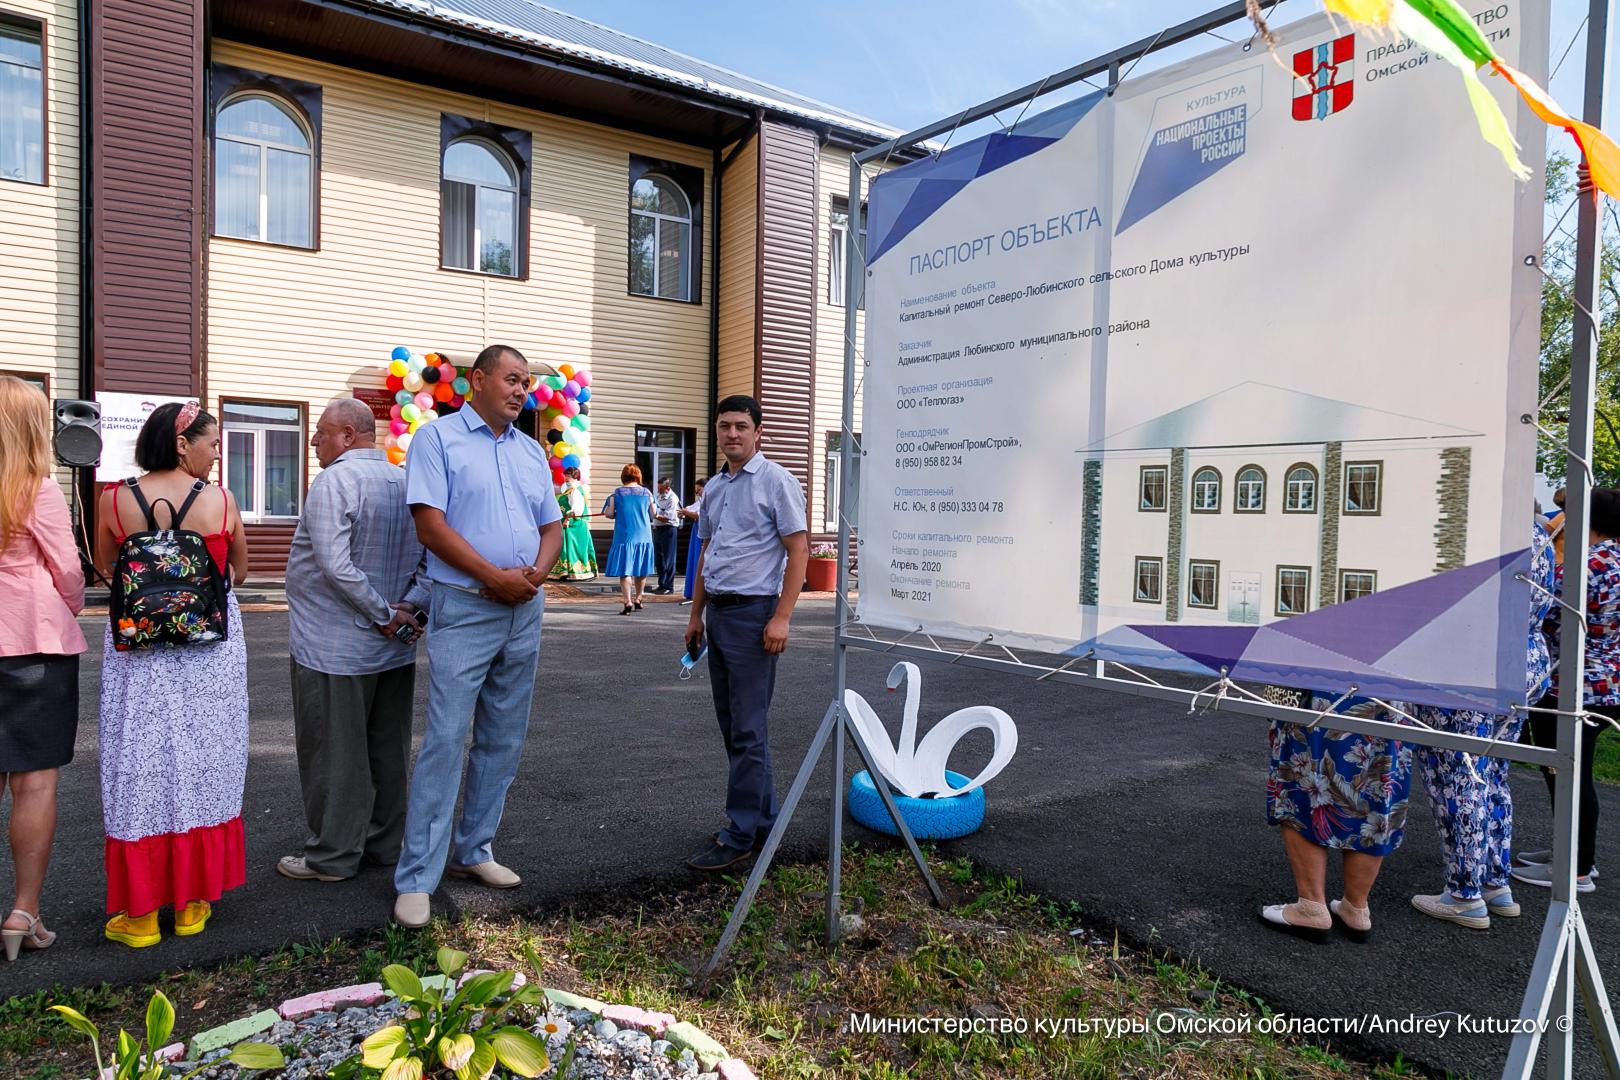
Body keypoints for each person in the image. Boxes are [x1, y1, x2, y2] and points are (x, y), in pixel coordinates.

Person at [394, 344, 563, 929]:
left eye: (526, 383)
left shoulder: (529, 451)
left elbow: (552, 525)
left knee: (503, 737)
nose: (522, 391)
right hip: (466, 605)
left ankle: (475, 850)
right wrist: (494, 577)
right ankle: (417, 877)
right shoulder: (437, 440)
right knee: (444, 737)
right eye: (512, 379)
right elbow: (429, 525)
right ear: (479, 381)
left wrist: (532, 578)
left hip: (524, 608)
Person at [94, 401, 249, 948]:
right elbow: (239, 571)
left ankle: (138, 916)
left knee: (139, 762)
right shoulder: (221, 500)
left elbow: (107, 568)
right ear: (182, 444)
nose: (216, 452)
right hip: (208, 653)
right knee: (206, 757)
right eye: (212, 442)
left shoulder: (113, 499)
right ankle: (190, 904)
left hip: (139, 654)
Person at [280, 398, 430, 884]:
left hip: (335, 647)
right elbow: (431, 560)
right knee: (386, 746)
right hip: (392, 643)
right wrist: (408, 608)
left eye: (320, 432)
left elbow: (334, 565)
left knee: (335, 752)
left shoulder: (335, 481)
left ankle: (332, 856)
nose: (314, 441)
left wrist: (385, 614)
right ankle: (384, 844)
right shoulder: (406, 482)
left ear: (348, 434)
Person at [1408, 520, 1555, 928]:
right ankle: (1495, 881)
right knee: (1493, 774)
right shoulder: (1538, 531)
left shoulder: (1470, 526)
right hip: (1521, 663)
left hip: (1466, 667)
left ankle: (1464, 893)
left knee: (1458, 778)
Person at [683, 396, 808, 871]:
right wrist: (695, 618)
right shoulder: (714, 488)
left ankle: (739, 835)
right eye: (724, 427)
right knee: (736, 728)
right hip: (718, 615)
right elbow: (706, 555)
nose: (732, 434)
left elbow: (799, 551)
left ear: (758, 432)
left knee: (749, 729)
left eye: (741, 426)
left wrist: (782, 616)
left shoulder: (777, 482)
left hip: (756, 618)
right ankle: (765, 823)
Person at [0, 377, 85, 960]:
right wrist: (67, 608)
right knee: (33, 783)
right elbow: (70, 573)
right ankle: (23, 911)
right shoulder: (38, 489)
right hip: (34, 642)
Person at [1514, 486, 1620, 894]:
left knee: (1567, 774)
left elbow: (1542, 610)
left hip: (1573, 683)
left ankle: (1577, 868)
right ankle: (1570, 852)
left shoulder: (1584, 566)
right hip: (1609, 679)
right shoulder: (1612, 560)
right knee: (1572, 771)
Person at [1261, 689, 1413, 943]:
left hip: (1326, 683)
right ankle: (1356, 908)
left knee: (1304, 785)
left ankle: (1311, 907)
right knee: (1376, 792)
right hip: (1389, 689)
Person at [603, 464, 655, 615]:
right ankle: (639, 598)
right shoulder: (647, 493)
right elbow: (653, 513)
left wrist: (611, 512)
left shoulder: (616, 494)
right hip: (643, 534)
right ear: (638, 476)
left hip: (624, 535)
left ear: (623, 476)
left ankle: (628, 601)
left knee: (625, 570)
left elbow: (610, 514)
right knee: (641, 567)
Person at [552, 467, 597, 582]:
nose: (566, 478)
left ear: (574, 477)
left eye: (568, 476)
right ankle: (565, 571)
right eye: (566, 475)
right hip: (570, 524)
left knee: (573, 549)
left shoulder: (575, 490)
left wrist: (567, 519)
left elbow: (576, 508)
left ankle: (577, 572)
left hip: (574, 525)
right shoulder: (568, 489)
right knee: (566, 547)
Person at [651, 476, 682, 595]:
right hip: (658, 528)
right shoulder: (658, 496)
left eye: (661, 488)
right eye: (658, 488)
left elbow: (667, 518)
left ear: (667, 487)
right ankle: (661, 584)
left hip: (669, 529)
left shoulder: (672, 499)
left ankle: (669, 586)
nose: (658, 490)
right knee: (659, 558)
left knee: (668, 558)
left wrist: (654, 514)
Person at [681, 477, 707, 603]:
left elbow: (699, 515)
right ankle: (691, 591)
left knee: (699, 559)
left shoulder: (709, 500)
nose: (697, 492)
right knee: (694, 559)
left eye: (699, 489)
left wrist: (685, 512)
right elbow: (691, 508)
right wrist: (684, 511)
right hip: (696, 529)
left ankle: (698, 592)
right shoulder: (700, 500)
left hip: (702, 530)